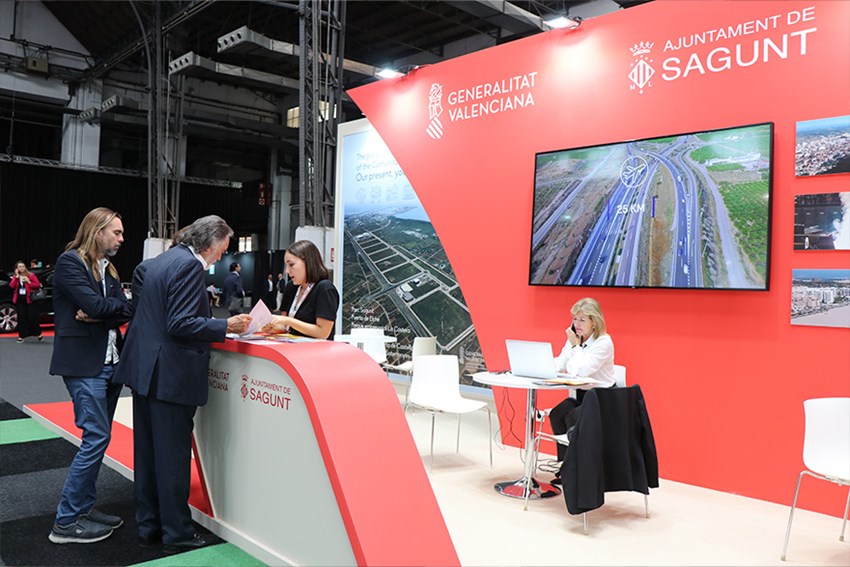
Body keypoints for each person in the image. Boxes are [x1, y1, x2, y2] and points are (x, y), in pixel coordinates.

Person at [114, 215, 251, 554]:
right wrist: (226, 326)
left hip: (146, 371)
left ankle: (149, 525)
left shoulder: (160, 261)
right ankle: (177, 532)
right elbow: (181, 323)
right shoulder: (189, 266)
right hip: (171, 375)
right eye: (222, 249)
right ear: (210, 243)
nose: (221, 256)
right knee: (173, 457)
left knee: (147, 455)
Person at [47, 207, 133, 544]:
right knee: (96, 437)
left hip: (111, 363)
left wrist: (100, 312)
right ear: (98, 232)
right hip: (84, 366)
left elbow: (125, 309)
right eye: (117, 232)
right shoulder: (70, 262)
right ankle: (66, 522)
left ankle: (83, 508)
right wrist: (104, 310)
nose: (122, 239)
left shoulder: (107, 268)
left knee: (100, 438)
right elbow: (100, 306)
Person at [547, 297, 616, 479]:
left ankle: (580, 470)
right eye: (575, 319)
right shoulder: (575, 339)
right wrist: (544, 365)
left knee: (573, 417)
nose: (577, 324)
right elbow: (562, 365)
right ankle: (566, 466)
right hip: (581, 395)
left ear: (594, 322)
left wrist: (575, 347)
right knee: (557, 414)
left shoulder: (603, 342)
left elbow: (582, 371)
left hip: (601, 398)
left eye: (582, 320)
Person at [262, 240, 339, 339]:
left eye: (291, 265)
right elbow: (286, 327)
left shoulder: (324, 288)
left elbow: (323, 333)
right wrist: (273, 327)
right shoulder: (291, 287)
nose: (287, 271)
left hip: (315, 348)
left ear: (308, 262)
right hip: (291, 345)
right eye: (286, 266)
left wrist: (289, 321)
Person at [9, 260, 44, 343]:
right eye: (19, 267)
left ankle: (38, 333)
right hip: (20, 300)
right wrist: (16, 277)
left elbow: (37, 285)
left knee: (32, 317)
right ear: (17, 269)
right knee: (21, 318)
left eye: (23, 266)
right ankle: (21, 336)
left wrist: (28, 281)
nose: (22, 268)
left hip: (30, 300)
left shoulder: (31, 275)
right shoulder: (16, 277)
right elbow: (11, 286)